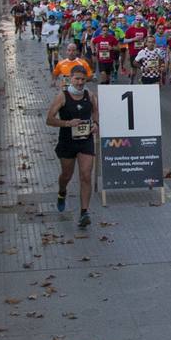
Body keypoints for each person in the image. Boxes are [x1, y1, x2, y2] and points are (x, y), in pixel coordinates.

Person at [45, 66, 97, 228]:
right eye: (77, 79)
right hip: (67, 141)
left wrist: (96, 124)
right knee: (67, 175)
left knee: (86, 175)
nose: (80, 82)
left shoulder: (90, 95)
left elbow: (95, 111)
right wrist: (68, 123)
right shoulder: (62, 96)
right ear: (70, 78)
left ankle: (84, 212)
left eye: (83, 79)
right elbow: (49, 120)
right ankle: (62, 192)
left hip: (85, 140)